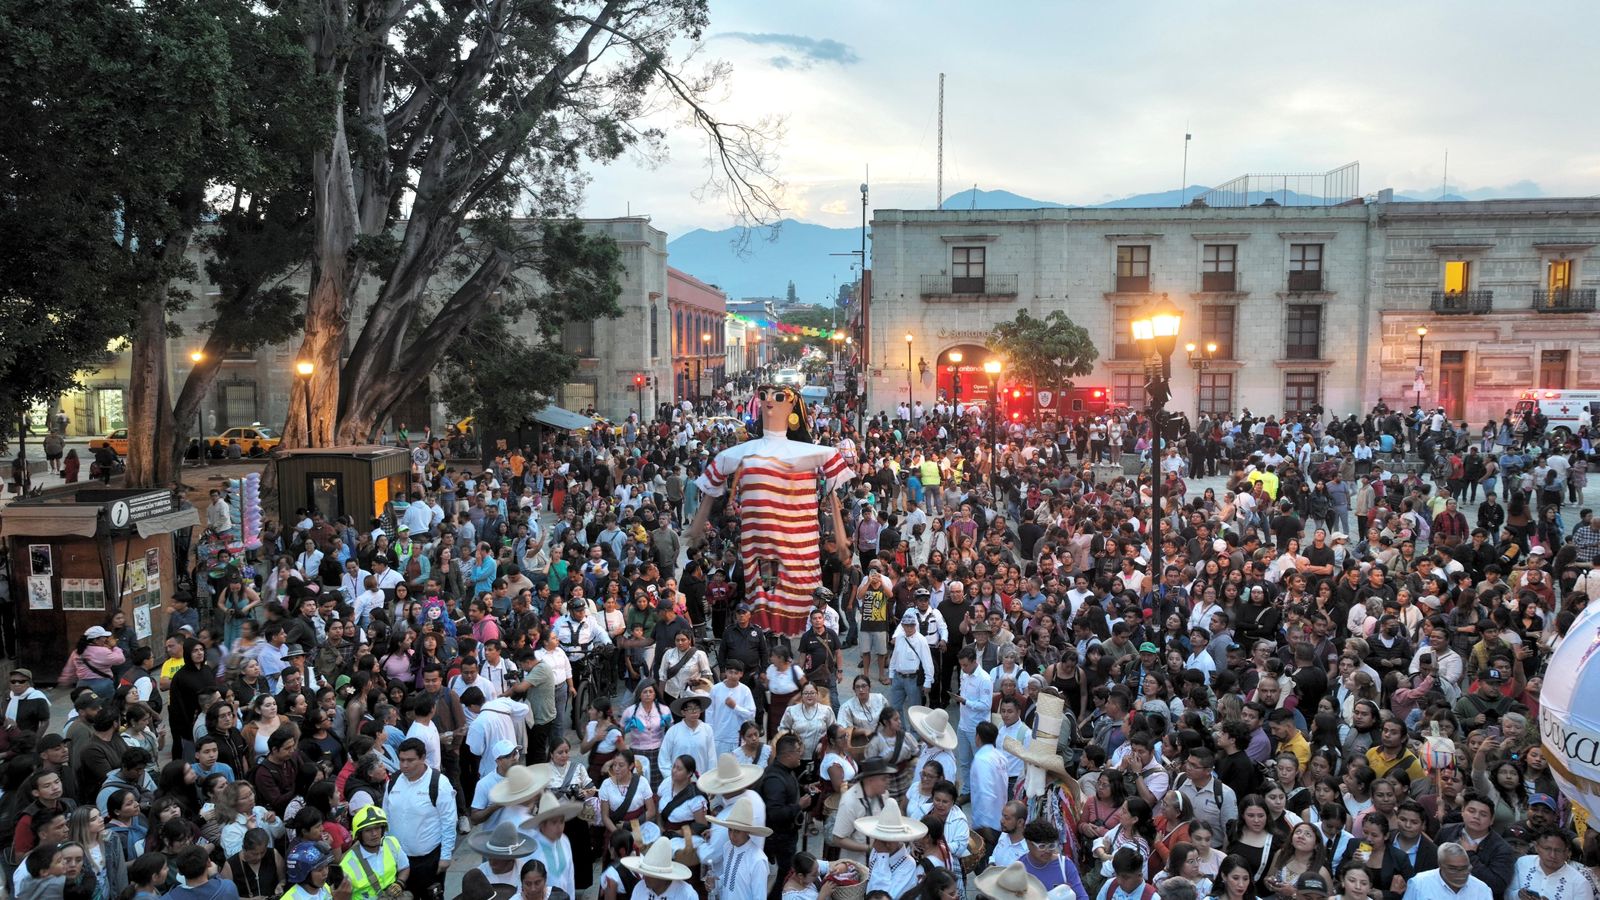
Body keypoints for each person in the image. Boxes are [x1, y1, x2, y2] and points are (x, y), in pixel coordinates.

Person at [382, 737, 457, 895]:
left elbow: (449, 822)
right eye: (401, 760)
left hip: (428, 861)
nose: (404, 765)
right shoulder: (393, 781)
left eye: (410, 760)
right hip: (398, 861)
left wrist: (445, 856)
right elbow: (386, 817)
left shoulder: (439, 784)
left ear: (423, 758)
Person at [340, 805, 408, 899]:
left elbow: (404, 867)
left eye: (377, 828)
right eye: (368, 830)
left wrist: (400, 883)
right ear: (359, 835)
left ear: (383, 829)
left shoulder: (391, 843)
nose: (374, 834)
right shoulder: (348, 864)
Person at [1400, 843, 1491, 900]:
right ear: (1440, 865)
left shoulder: (1482, 889)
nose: (1460, 874)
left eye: (1464, 868)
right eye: (1453, 869)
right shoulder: (1419, 884)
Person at [620, 838, 696, 900]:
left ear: (662, 877)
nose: (644, 877)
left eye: (650, 874)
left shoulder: (686, 895)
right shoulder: (640, 887)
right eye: (645, 873)